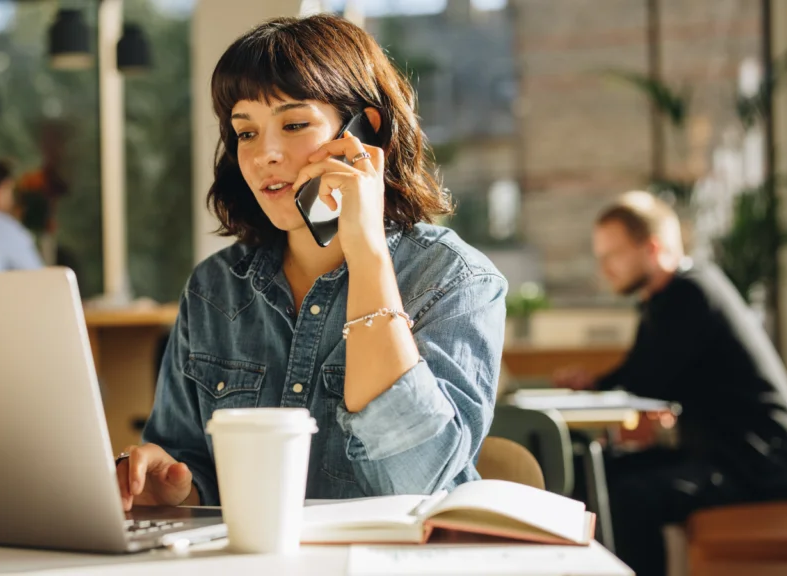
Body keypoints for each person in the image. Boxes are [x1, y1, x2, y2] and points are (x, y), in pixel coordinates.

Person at [115, 15, 507, 510]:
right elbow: (187, 458)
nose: (264, 156)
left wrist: (366, 252)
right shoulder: (214, 287)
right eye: (246, 133)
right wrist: (175, 485)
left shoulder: (454, 280)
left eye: (294, 124)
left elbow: (418, 485)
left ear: (365, 131)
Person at [555, 191, 787, 576]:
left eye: (612, 256)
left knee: (625, 493)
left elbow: (645, 379)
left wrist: (598, 387)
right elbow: (640, 374)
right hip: (724, 454)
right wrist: (595, 383)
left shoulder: (690, 294)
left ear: (652, 248)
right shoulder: (669, 297)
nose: (605, 269)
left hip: (758, 465)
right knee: (602, 473)